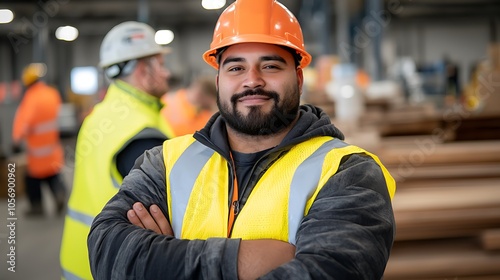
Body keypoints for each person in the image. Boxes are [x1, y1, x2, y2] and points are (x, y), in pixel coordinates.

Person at [88, 1, 396, 279]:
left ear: (299, 79)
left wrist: (167, 257)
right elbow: (106, 250)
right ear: (219, 81)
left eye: (271, 65)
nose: (252, 80)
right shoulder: (165, 162)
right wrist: (243, 260)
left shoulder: (348, 172)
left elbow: (330, 272)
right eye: (236, 67)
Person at [60, 21, 176, 280]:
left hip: (82, 259)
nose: (167, 73)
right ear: (144, 69)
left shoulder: (99, 115)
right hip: (114, 266)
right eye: (161, 64)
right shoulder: (141, 131)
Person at [12, 63, 67, 217]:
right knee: (52, 173)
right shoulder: (52, 93)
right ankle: (59, 193)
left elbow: (25, 122)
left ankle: (37, 207)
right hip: (52, 147)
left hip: (37, 150)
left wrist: (16, 140)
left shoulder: (31, 99)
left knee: (32, 178)